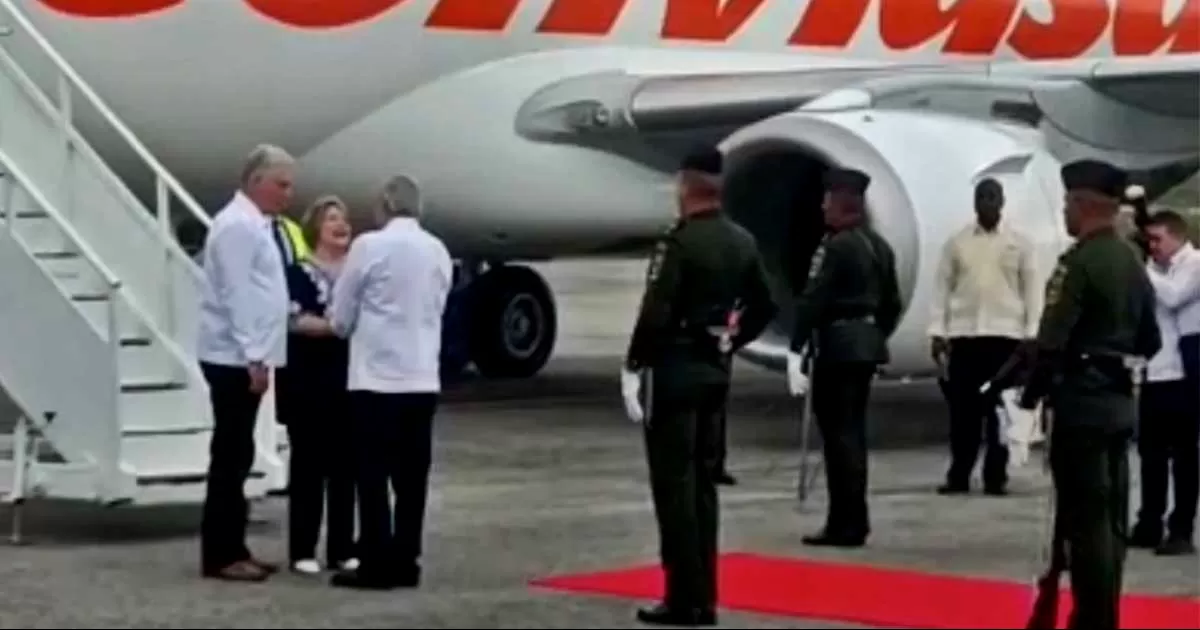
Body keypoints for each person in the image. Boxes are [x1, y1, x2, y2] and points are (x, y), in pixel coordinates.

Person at [620, 146, 776, 626]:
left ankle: (683, 599)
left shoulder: (679, 243)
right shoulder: (742, 241)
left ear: (685, 185)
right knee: (704, 489)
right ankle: (704, 596)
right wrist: (733, 340)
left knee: (675, 490)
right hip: (714, 371)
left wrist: (633, 364)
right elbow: (764, 305)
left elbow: (656, 312)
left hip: (675, 373)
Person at [1019, 159, 1161, 629]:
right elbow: (1150, 341)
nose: (1064, 213)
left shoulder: (1078, 263)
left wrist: (1030, 395)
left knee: (1083, 523)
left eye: (1067, 204)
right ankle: (1106, 615)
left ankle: (1091, 618)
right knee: (1112, 520)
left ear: (1083, 205)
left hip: (1080, 403)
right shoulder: (1130, 261)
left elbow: (1052, 338)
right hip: (1120, 403)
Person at [328, 175, 453, 591]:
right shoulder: (438, 250)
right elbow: (438, 306)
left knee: (373, 474)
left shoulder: (368, 247)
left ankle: (376, 562)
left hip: (376, 380)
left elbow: (341, 318)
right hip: (422, 378)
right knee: (412, 477)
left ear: (384, 204)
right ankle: (406, 558)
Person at [785, 168, 902, 549]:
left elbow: (813, 299)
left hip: (838, 347)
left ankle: (845, 524)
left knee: (839, 440)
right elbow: (892, 305)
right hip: (865, 346)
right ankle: (854, 519)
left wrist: (796, 345)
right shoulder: (879, 246)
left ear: (840, 203)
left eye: (827, 200)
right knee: (852, 437)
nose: (822, 207)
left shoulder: (835, 247)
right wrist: (871, 335)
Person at [195, 144, 294, 582]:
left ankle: (234, 546)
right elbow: (237, 294)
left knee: (239, 452)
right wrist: (254, 355)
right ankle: (221, 554)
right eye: (282, 184)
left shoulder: (255, 223)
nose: (288, 193)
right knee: (231, 454)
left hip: (244, 354)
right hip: (233, 356)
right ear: (256, 182)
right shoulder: (237, 227)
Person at [928, 179, 1041, 496]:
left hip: (1005, 339)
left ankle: (995, 476)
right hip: (965, 336)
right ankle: (959, 475)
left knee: (1000, 413)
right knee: (963, 413)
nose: (988, 203)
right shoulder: (957, 243)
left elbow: (1032, 291)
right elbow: (941, 288)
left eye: (993, 197)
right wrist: (937, 331)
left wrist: (1032, 334)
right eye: (982, 197)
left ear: (1002, 201)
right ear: (975, 202)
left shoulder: (1020, 243)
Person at [274, 196, 360, 575]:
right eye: (331, 219)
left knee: (346, 469)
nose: (341, 225)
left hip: (349, 381)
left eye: (344, 219)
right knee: (308, 468)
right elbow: (293, 320)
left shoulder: (358, 272)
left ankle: (342, 549)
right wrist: (335, 328)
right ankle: (302, 550)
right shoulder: (298, 272)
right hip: (309, 382)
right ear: (315, 230)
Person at [1136, 210, 1200, 556]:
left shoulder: (1195, 265)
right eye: (1149, 240)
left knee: (1185, 455)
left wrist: (1142, 270)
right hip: (1156, 370)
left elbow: (1174, 297)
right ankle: (1149, 521)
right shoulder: (1156, 271)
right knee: (1151, 454)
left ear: (1177, 236)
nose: (1153, 246)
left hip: (1186, 373)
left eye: (1158, 239)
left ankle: (1181, 527)